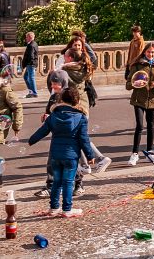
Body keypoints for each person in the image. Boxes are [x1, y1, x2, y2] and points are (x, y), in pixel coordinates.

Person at [33, 70, 110, 200]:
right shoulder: (53, 97)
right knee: (52, 162)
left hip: (71, 138)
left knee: (72, 163)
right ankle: (51, 187)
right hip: (58, 137)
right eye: (51, 84)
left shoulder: (70, 95)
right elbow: (48, 113)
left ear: (63, 83)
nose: (52, 86)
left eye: (55, 84)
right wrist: (46, 117)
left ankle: (78, 185)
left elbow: (78, 112)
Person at [27, 86, 95, 217]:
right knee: (68, 182)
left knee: (56, 181)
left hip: (55, 155)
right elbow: (84, 139)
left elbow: (42, 131)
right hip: (71, 156)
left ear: (61, 100)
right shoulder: (81, 118)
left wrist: (31, 140)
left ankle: (53, 208)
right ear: (77, 101)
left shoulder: (53, 116)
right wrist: (89, 155)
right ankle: (67, 209)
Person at [125, 44, 154, 166]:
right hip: (139, 100)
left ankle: (149, 152)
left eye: (153, 53)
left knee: (150, 126)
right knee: (139, 126)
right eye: (149, 52)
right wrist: (135, 83)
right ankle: (135, 154)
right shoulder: (138, 65)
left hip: (153, 100)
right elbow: (128, 85)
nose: (151, 54)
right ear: (144, 52)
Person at [22, 31, 39, 97]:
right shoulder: (34, 43)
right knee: (26, 77)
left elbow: (30, 56)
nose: (26, 38)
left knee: (31, 78)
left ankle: (34, 93)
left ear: (30, 37)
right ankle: (31, 91)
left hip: (30, 64)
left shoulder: (31, 45)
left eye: (26, 37)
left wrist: (26, 63)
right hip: (31, 64)